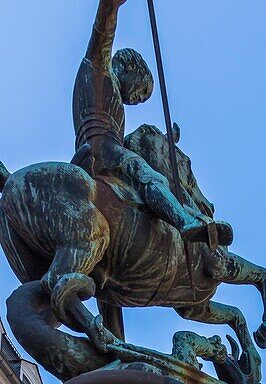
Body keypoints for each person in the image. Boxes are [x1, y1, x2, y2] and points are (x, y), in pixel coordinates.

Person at [72, 0, 231, 245]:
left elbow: (131, 142)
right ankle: (185, 222)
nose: (135, 100)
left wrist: (165, 141)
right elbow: (102, 34)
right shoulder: (98, 71)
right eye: (140, 91)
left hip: (99, 153)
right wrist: (110, 8)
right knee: (152, 177)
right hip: (101, 150)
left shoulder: (106, 92)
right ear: (129, 67)